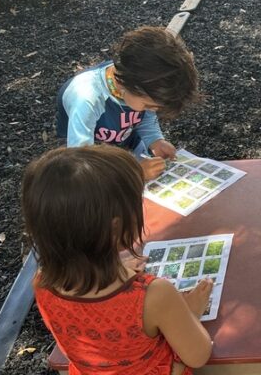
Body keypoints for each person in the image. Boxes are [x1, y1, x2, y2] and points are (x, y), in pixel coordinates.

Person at [23, 145, 214, 374]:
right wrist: (191, 312)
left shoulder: (42, 283)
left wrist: (116, 267)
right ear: (115, 227)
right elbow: (198, 355)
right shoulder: (153, 294)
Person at [55, 26, 200, 180]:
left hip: (124, 143)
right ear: (131, 85)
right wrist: (134, 173)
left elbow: (145, 117)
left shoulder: (135, 81)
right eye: (148, 106)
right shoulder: (86, 100)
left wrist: (155, 140)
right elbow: (81, 163)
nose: (153, 110)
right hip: (92, 159)